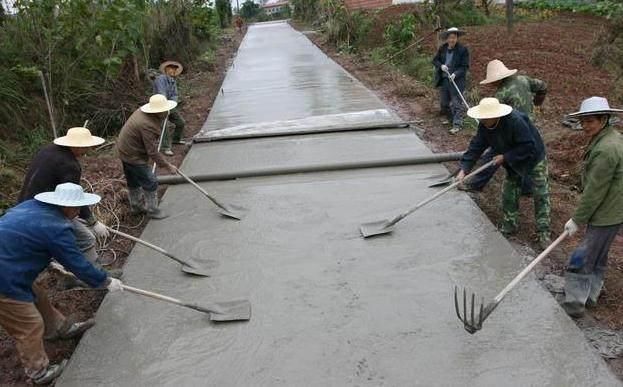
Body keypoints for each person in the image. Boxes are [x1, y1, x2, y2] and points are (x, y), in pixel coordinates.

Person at [0, 183, 124, 385]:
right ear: (63, 205)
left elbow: (22, 235)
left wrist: (46, 258)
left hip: (10, 264)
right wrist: (105, 280)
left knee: (38, 295)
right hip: (5, 276)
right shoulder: (56, 227)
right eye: (75, 208)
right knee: (29, 324)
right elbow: (77, 263)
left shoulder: (32, 206)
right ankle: (38, 372)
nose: (77, 213)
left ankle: (58, 328)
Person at [457, 98, 551, 249]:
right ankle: (509, 225)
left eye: (486, 118)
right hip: (511, 157)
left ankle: (543, 233)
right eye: (482, 118)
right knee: (509, 192)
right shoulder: (484, 126)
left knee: (540, 194)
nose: (483, 120)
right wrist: (464, 170)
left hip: (533, 158)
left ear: (496, 115)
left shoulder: (515, 121)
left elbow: (528, 145)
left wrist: (505, 157)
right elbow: (476, 146)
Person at [561, 97, 623, 318]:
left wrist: (577, 219)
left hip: (607, 212)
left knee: (582, 257)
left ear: (604, 119)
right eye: (583, 121)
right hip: (614, 209)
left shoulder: (606, 149)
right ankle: (591, 295)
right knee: (598, 256)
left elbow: (595, 191)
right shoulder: (610, 138)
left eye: (590, 121)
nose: (585, 126)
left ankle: (575, 304)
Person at [18, 127, 109, 265]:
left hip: (24, 203)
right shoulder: (69, 165)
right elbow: (74, 200)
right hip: (43, 210)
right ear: (76, 147)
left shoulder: (48, 150)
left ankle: (74, 267)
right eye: (86, 147)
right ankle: (95, 273)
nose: (88, 150)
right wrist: (93, 222)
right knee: (86, 238)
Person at [463, 59, 548, 193]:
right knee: (526, 154)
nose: (491, 84)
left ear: (498, 79)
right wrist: (538, 101)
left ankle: (476, 184)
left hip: (512, 128)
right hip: (530, 125)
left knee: (494, 155)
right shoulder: (523, 79)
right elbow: (542, 86)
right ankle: (527, 188)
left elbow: (495, 121)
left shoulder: (501, 94)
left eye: (492, 81)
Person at [116, 94, 178, 219]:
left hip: (124, 149)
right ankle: (152, 210)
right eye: (165, 111)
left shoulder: (143, 113)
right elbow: (152, 152)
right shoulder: (147, 124)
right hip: (132, 154)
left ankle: (136, 207)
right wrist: (167, 166)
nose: (167, 112)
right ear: (157, 111)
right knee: (150, 181)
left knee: (133, 180)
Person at [432, 27, 470, 134]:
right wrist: (441, 66)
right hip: (444, 80)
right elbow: (435, 60)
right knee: (444, 103)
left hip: (456, 80)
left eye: (454, 37)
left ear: (457, 38)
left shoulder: (462, 50)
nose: (452, 40)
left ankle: (457, 124)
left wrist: (455, 74)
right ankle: (451, 119)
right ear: (447, 39)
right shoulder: (443, 48)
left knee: (456, 103)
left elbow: (464, 66)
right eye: (450, 38)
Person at [153, 60, 185, 156]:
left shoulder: (173, 81)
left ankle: (176, 139)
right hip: (159, 106)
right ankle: (165, 147)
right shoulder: (160, 79)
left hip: (169, 105)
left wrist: (172, 103)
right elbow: (161, 93)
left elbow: (175, 95)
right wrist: (165, 105)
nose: (173, 70)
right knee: (164, 125)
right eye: (171, 68)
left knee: (181, 122)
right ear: (166, 69)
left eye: (174, 69)